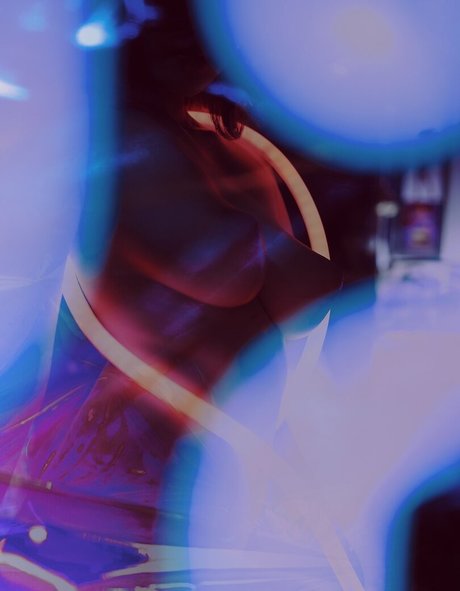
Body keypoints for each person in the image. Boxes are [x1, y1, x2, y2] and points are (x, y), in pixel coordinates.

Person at [0, 0, 341, 587]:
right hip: (106, 512)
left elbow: (294, 294)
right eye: (168, 13)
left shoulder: (191, 139)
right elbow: (274, 280)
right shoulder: (125, 148)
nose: (191, 34)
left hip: (171, 499)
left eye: (205, 18)